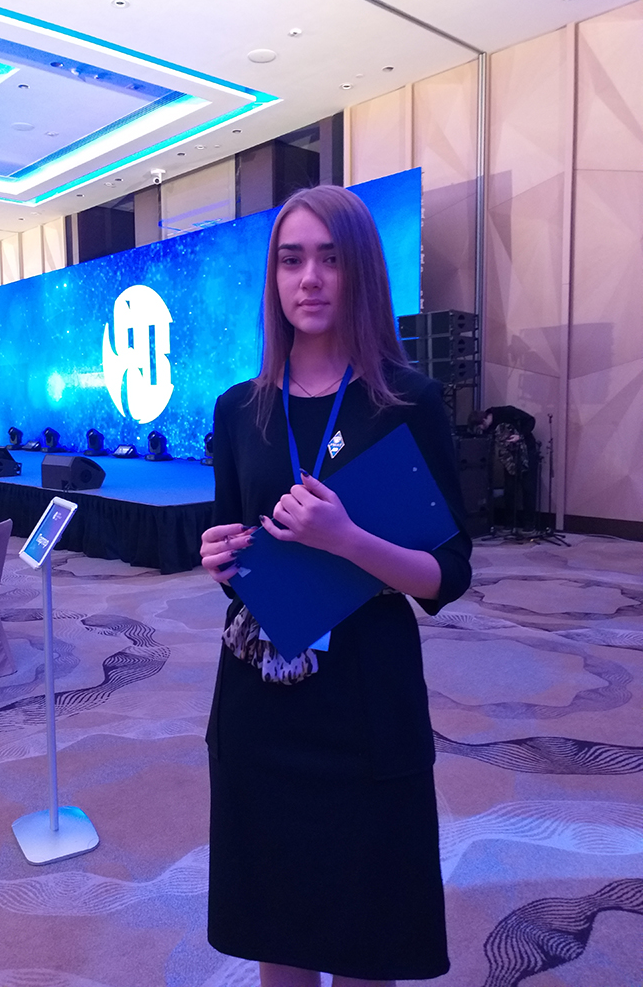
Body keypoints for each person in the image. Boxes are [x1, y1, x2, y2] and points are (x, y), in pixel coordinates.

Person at [200, 185, 472, 986]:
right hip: (261, 700)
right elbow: (239, 568)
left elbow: (448, 575)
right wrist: (221, 558)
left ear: (361, 273)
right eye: (291, 260)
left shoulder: (407, 402)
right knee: (276, 922)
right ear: (274, 279)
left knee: (367, 934)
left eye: (330, 258)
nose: (309, 278)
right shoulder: (240, 409)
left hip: (366, 698)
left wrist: (348, 540)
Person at [468, 406, 539, 530]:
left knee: (528, 488)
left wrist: (520, 435)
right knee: (510, 490)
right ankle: (510, 523)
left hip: (527, 452)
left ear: (483, 420)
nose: (482, 430)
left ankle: (529, 523)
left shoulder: (506, 412)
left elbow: (531, 420)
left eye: (480, 427)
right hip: (509, 458)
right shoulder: (489, 428)